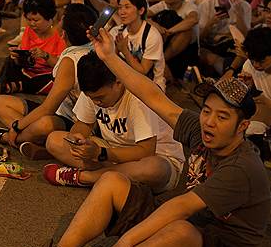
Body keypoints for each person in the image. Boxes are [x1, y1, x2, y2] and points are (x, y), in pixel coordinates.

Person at [8, 29, 269, 247]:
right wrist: (110, 57)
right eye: (207, 111)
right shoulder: (200, 130)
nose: (210, 122)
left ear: (242, 126)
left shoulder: (242, 167)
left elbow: (180, 207)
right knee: (111, 181)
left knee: (177, 229)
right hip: (189, 226)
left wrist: (127, 241)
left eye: (222, 117)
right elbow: (153, 97)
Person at [40, 51, 185, 191]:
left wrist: (100, 154)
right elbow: (83, 124)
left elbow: (146, 151)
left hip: (154, 157)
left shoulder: (137, 96)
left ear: (118, 81)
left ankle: (84, 177)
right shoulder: (94, 90)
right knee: (54, 140)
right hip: (112, 153)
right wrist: (76, 139)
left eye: (101, 98)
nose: (96, 102)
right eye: (92, 98)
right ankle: (113, 176)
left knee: (154, 168)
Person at [0, 4, 97, 158]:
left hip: (78, 122)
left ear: (64, 33)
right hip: (63, 111)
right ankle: (35, 142)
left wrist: (16, 127)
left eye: (62, 18)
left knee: (44, 124)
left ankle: (7, 137)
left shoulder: (71, 60)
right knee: (1, 102)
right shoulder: (95, 46)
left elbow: (48, 107)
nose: (59, 20)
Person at [0, 0, 65, 95]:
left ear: (50, 19)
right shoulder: (29, 30)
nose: (32, 23)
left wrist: (45, 55)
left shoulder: (59, 37)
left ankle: (20, 86)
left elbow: (60, 65)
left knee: (56, 81)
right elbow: (24, 61)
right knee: (9, 61)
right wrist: (18, 56)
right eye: (29, 20)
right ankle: (20, 85)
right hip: (28, 70)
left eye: (36, 20)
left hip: (46, 74)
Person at [147, 0, 199, 80]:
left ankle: (159, 61)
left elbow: (193, 19)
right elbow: (142, 16)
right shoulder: (162, 5)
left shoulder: (189, 6)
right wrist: (156, 25)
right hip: (164, 47)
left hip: (186, 54)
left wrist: (169, 32)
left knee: (186, 31)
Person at [110, 0, 166, 90]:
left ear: (141, 11)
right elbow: (111, 63)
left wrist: (124, 51)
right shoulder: (118, 31)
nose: (122, 12)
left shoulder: (152, 35)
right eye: (120, 7)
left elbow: (143, 71)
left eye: (127, 7)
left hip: (151, 84)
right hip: (126, 80)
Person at [198, 0, 251, 75]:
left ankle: (226, 70)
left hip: (233, 46)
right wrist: (211, 23)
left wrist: (239, 15)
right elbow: (200, 38)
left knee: (244, 53)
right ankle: (227, 71)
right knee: (202, 53)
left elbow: (246, 36)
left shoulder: (244, 6)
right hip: (210, 44)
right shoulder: (205, 5)